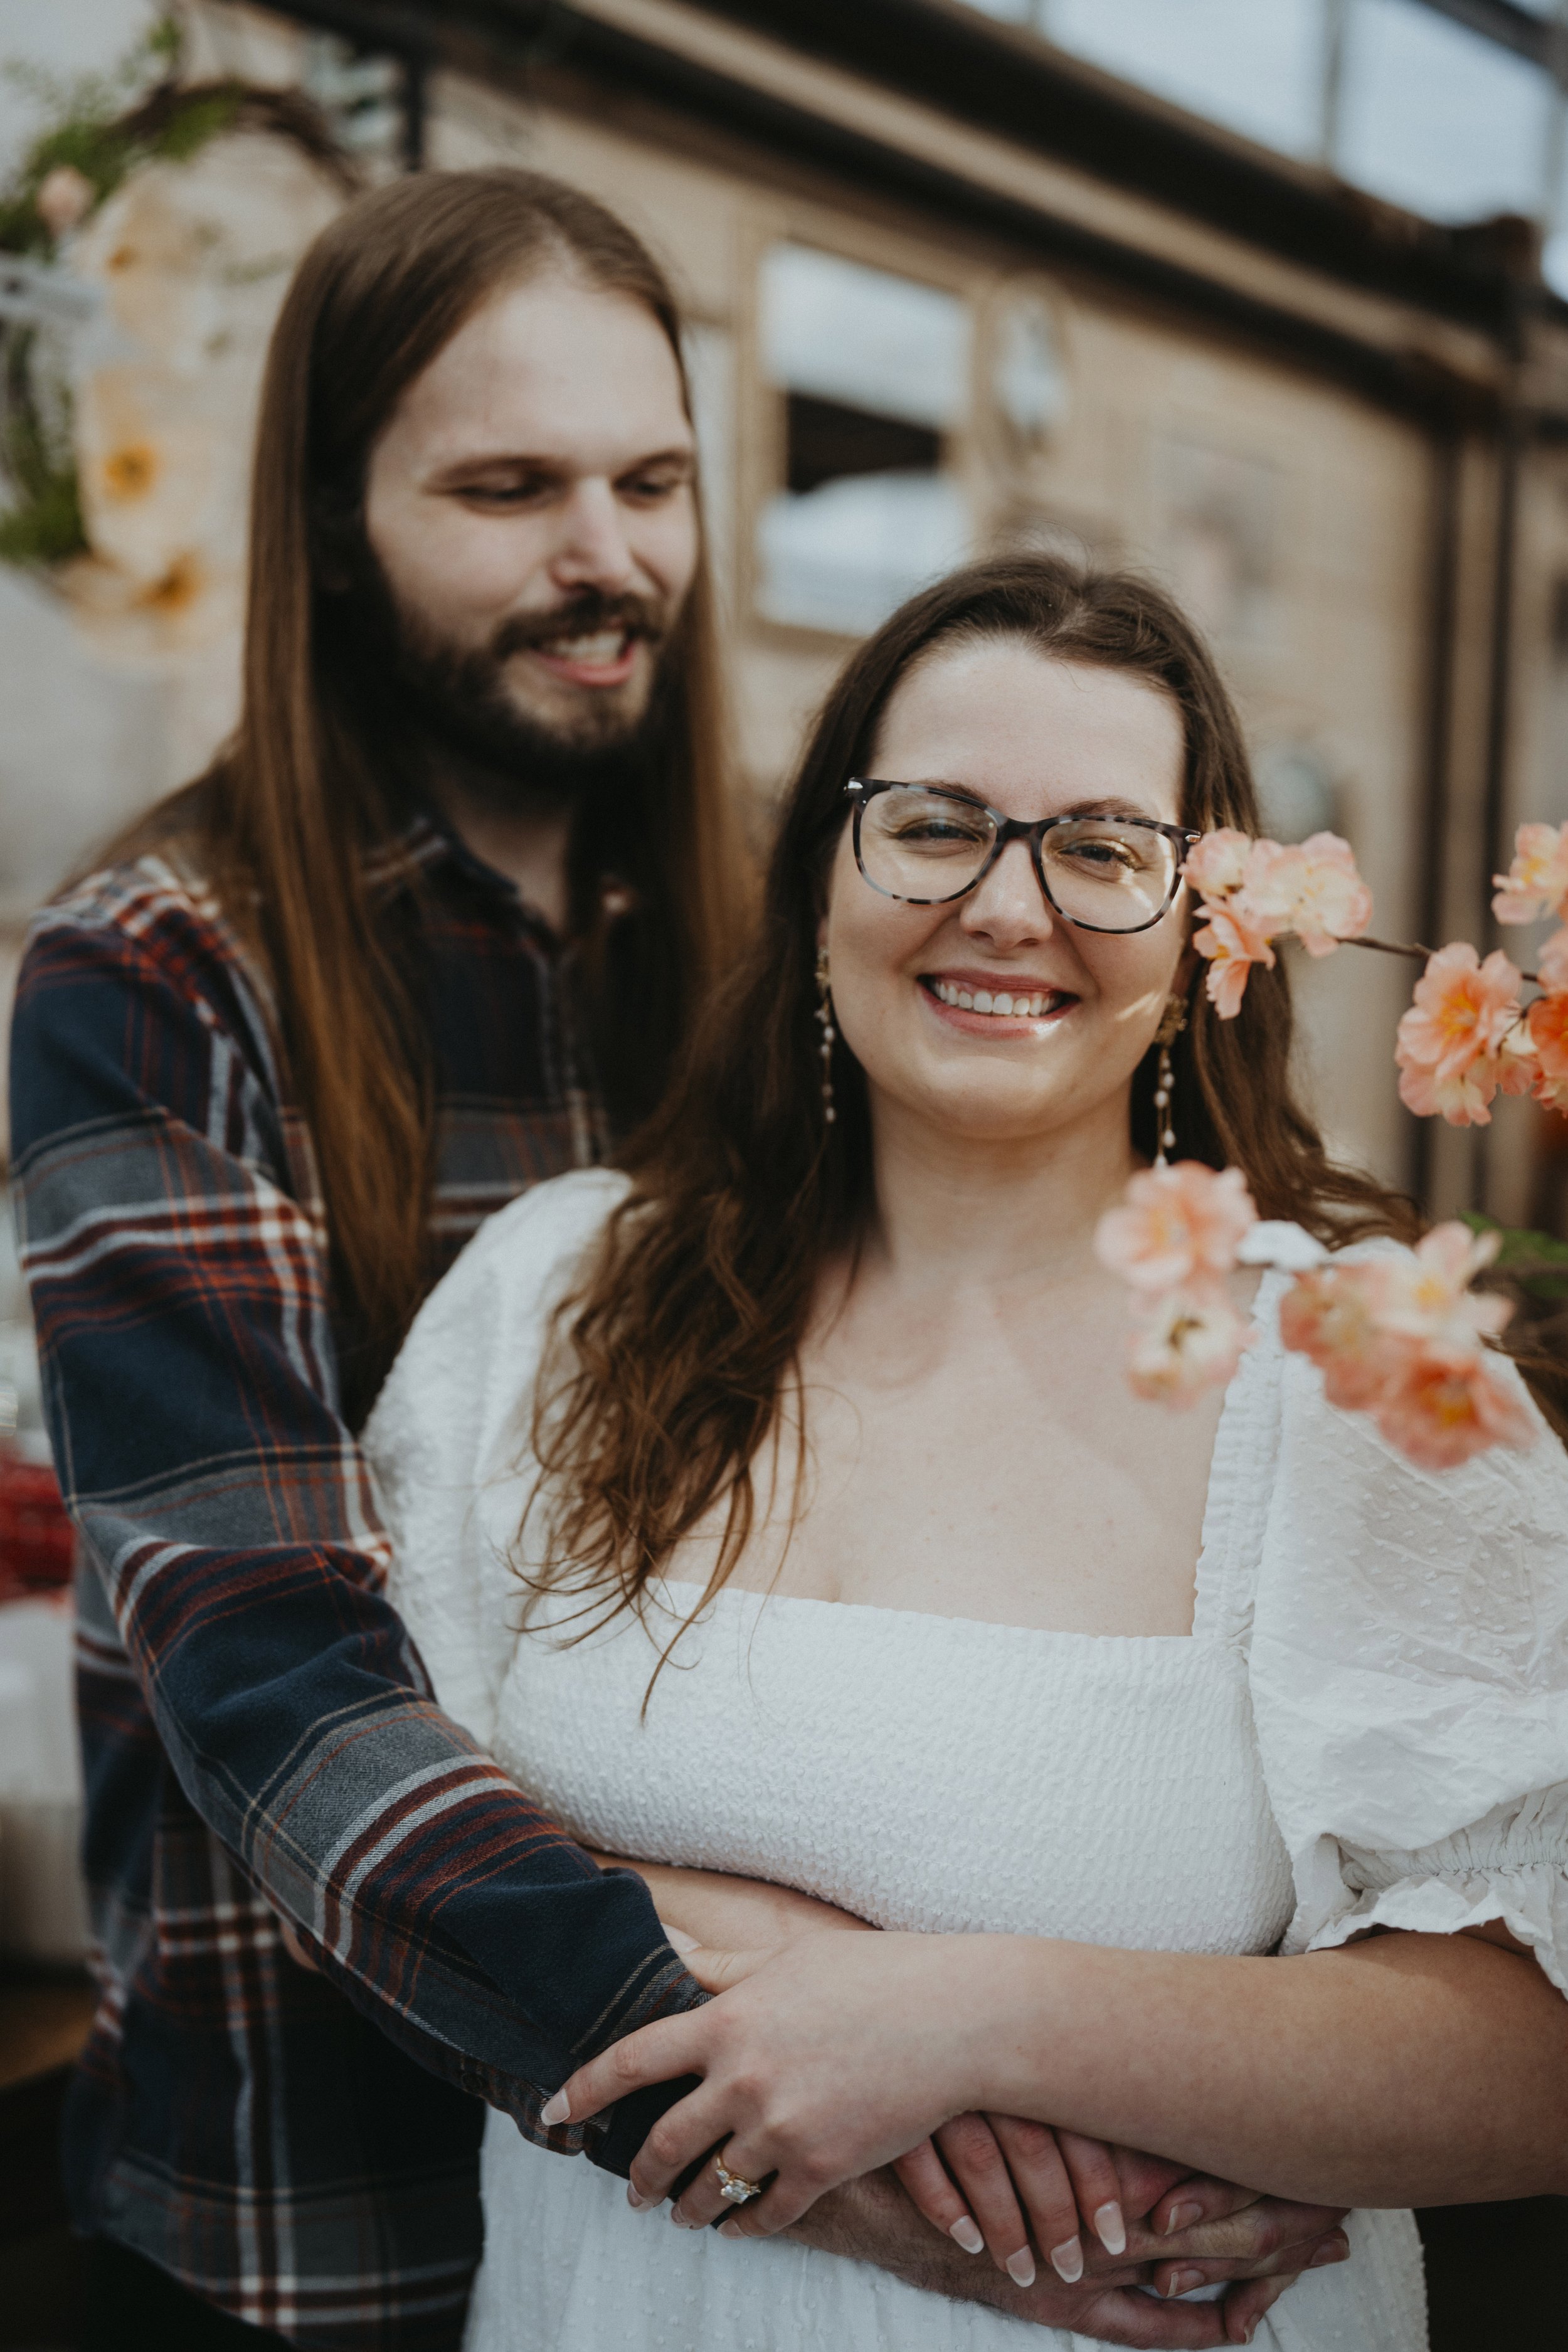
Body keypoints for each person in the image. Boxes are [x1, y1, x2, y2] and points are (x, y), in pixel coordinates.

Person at [6, 177, 1317, 2352]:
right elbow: (256, 1658)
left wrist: (1052, 2034)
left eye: (649, 480)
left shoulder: (774, 918)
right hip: (322, 2194)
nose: (602, 555)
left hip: (779, 2214)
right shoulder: (159, 971)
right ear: (332, 524)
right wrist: (787, 2060)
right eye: (506, 489)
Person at [365, 553, 1568, 2352]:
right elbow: (371, 1818)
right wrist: (681, 1922)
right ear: (819, 881)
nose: (1009, 907)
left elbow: (1531, 2057)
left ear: (1201, 926)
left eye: (1099, 847)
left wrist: (963, 2017)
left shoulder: (1351, 1365)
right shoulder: (554, 1290)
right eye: (931, 822)